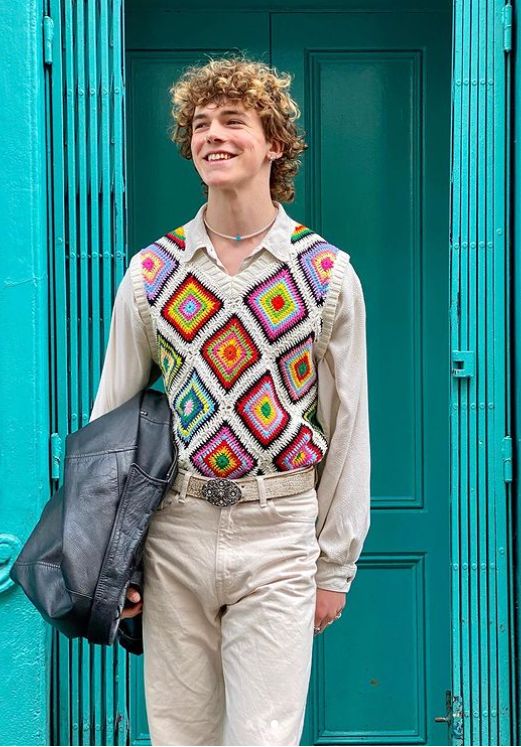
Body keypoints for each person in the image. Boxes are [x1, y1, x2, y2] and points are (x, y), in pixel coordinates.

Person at [89, 53, 371, 746]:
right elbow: (109, 428)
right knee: (180, 734)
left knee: (263, 736)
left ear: (274, 142)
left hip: (278, 528)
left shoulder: (324, 273)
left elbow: (348, 427)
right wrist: (109, 560)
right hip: (176, 530)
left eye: (233, 121)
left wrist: (333, 564)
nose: (212, 134)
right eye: (200, 124)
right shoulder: (152, 272)